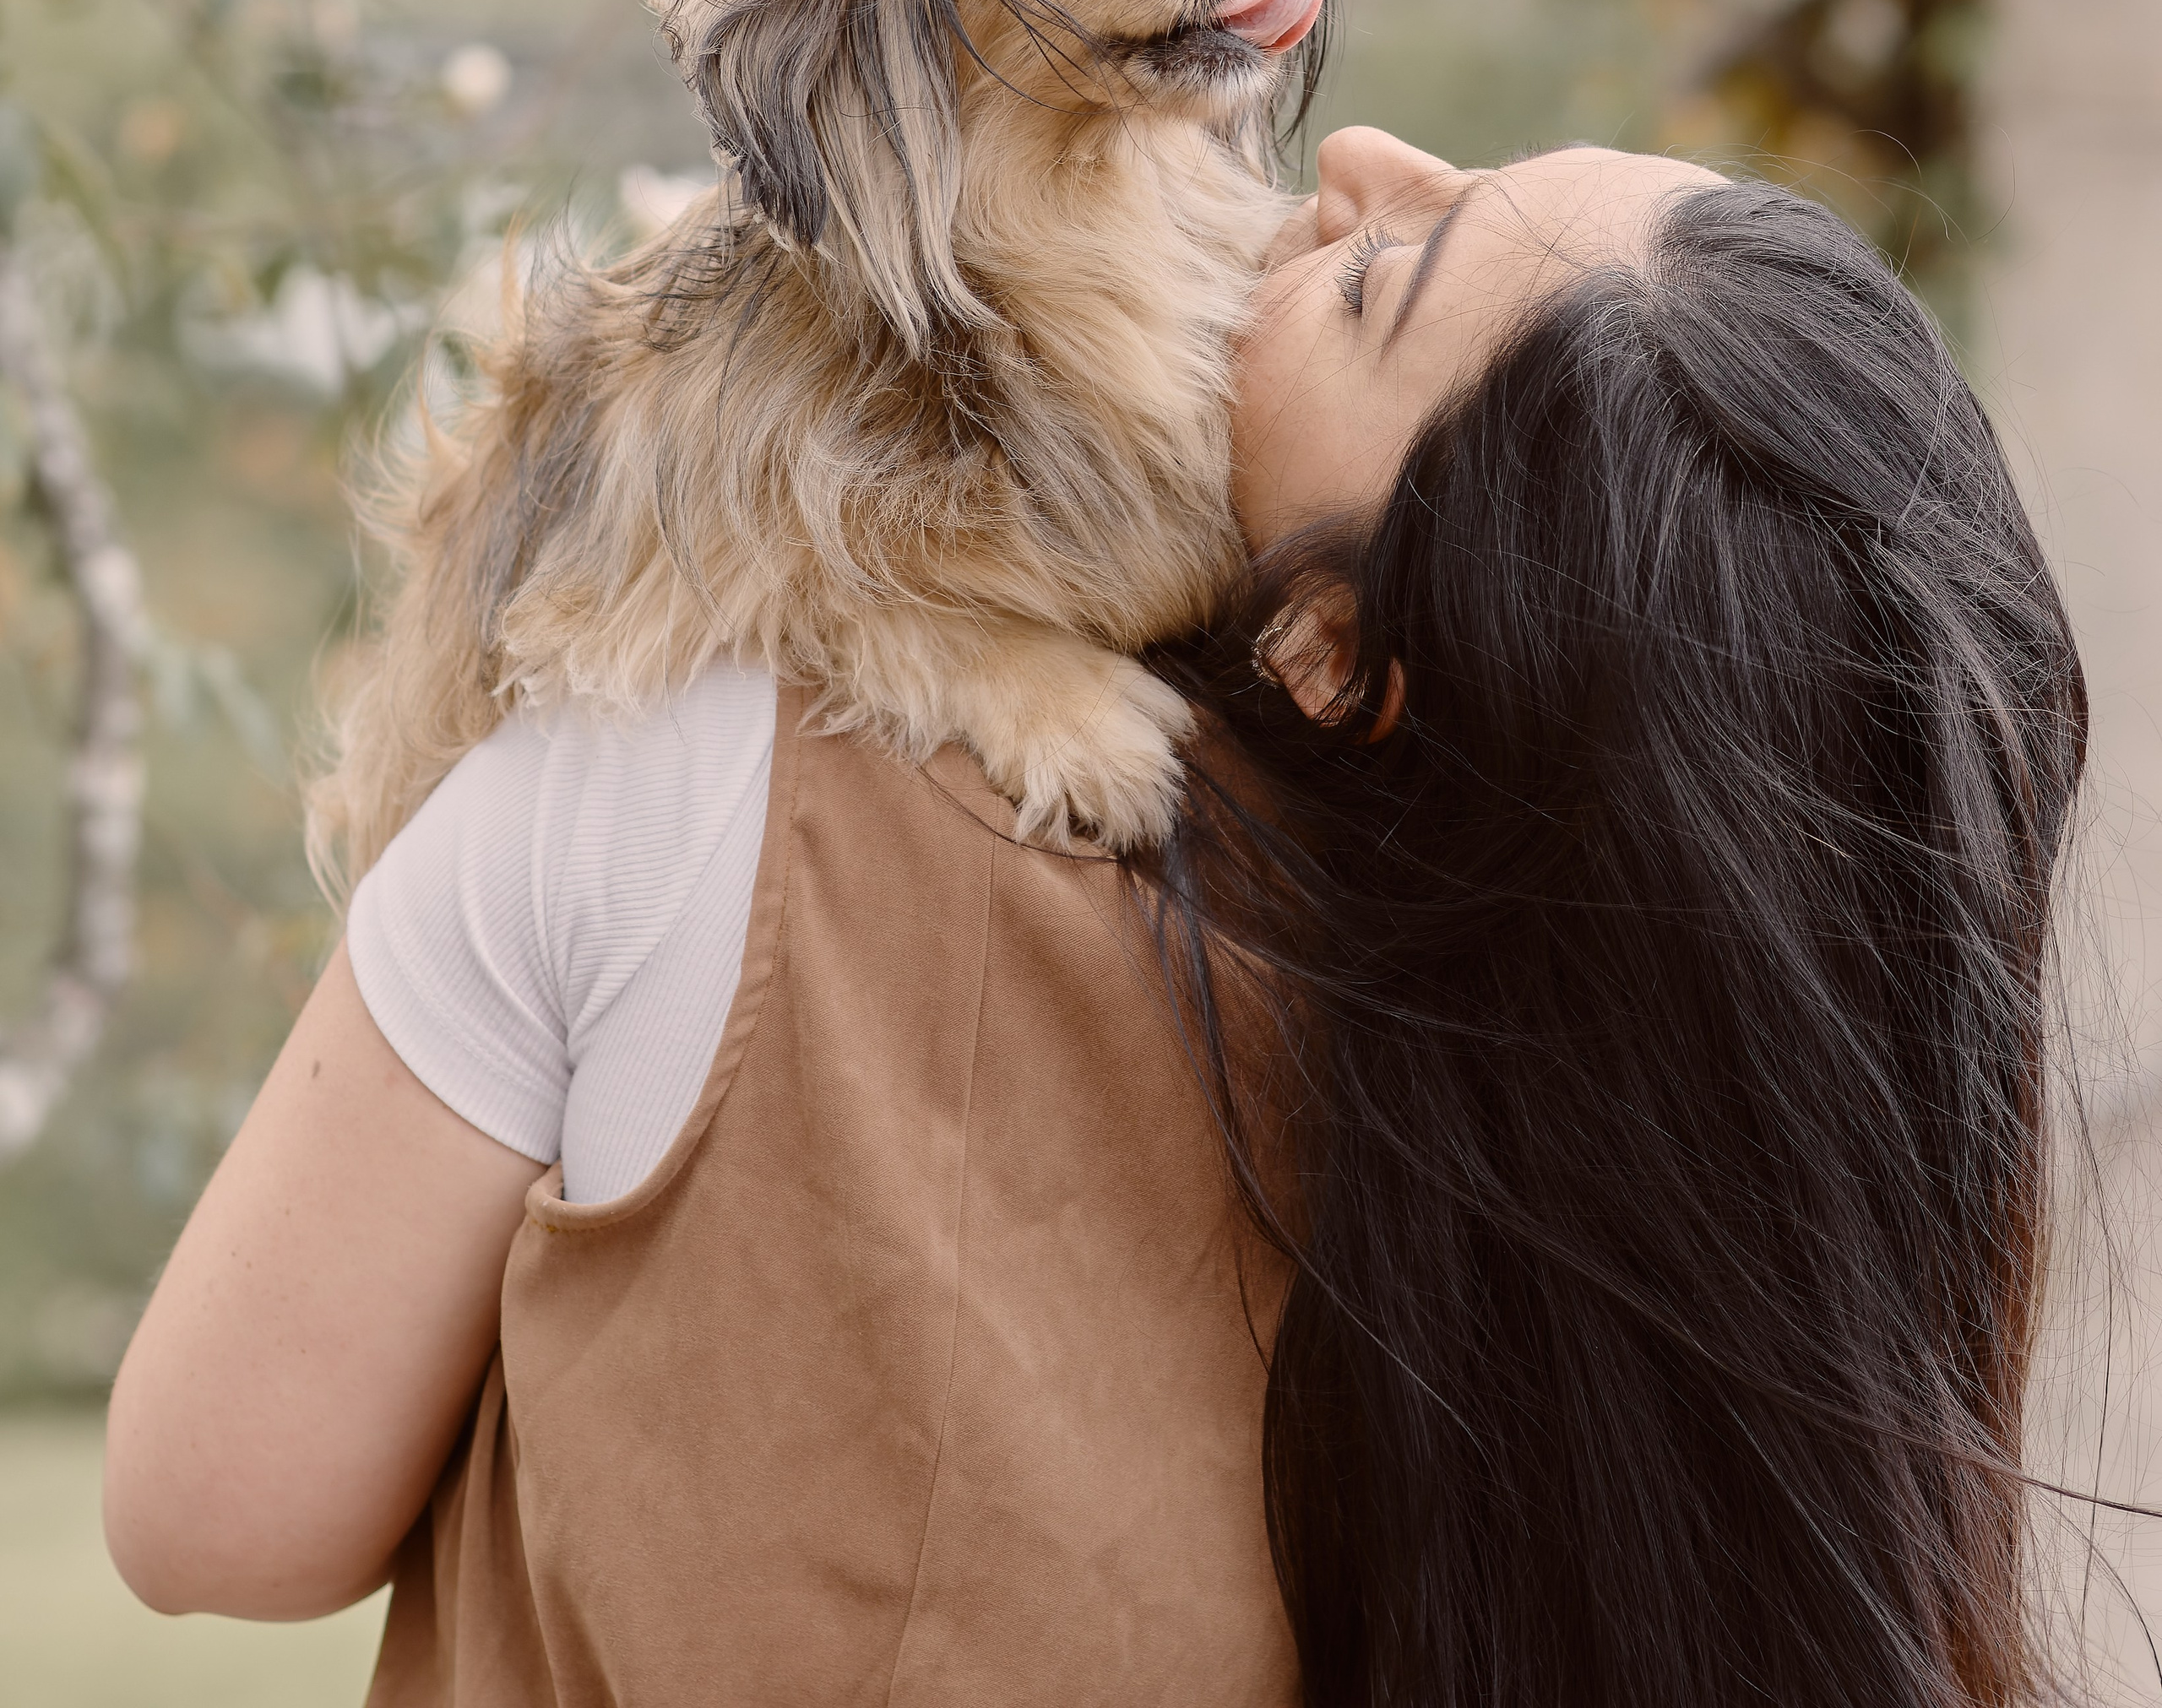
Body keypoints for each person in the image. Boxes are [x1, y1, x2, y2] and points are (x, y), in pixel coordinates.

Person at [101, 133, 2087, 1708]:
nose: (1349, 156)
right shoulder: (1661, 1309)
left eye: (1377, 275)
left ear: (1331, 645)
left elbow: (213, 1518)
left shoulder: (686, 769)